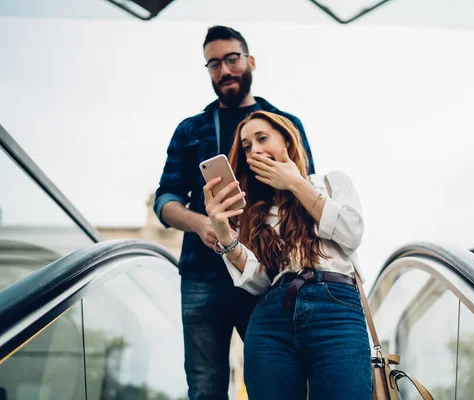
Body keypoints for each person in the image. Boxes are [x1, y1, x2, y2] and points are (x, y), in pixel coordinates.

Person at [153, 26, 315, 399]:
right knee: (205, 387)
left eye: (231, 59)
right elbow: (165, 201)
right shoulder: (190, 130)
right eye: (213, 64)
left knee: (274, 384)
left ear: (250, 61)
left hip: (268, 276)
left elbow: (307, 189)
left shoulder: (282, 124)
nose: (224, 70)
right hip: (202, 275)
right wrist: (201, 224)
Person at [204, 111, 372, 399]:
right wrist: (223, 233)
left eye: (262, 138)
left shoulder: (330, 183)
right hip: (272, 318)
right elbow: (258, 281)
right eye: (247, 146)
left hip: (336, 310)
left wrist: (295, 183)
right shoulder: (255, 212)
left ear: (287, 139)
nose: (254, 150)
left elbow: (351, 232)